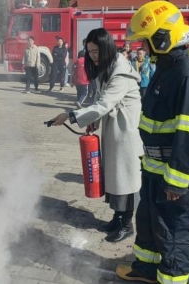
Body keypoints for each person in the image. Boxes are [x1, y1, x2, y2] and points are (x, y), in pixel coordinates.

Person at [116, 0, 189, 284]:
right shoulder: (166, 65)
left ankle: (171, 280)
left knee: (175, 233)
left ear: (161, 38)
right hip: (156, 168)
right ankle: (146, 269)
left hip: (175, 175)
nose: (142, 48)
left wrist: (177, 181)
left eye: (145, 42)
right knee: (148, 224)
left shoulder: (186, 73)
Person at [49, 28, 143, 243]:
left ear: (107, 47)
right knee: (113, 175)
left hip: (125, 131)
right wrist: (93, 120)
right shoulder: (107, 67)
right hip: (113, 128)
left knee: (125, 177)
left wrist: (70, 115)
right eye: (90, 51)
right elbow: (102, 101)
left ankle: (127, 224)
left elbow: (105, 103)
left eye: (96, 51)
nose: (93, 55)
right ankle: (118, 218)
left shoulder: (120, 71)